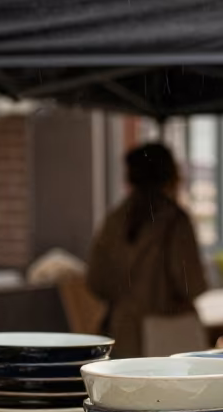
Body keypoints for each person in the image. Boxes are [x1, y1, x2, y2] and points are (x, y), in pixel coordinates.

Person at [87, 143, 207, 358]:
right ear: (170, 174)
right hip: (169, 337)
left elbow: (95, 281)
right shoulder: (174, 221)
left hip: (121, 335)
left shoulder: (115, 220)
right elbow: (191, 283)